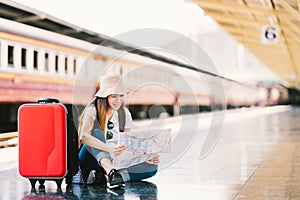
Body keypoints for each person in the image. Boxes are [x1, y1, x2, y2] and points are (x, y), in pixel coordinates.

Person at [78, 73, 159, 189]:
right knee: (95, 133)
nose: (118, 100)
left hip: (115, 160)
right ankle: (110, 173)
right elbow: (84, 136)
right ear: (105, 97)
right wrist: (109, 148)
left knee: (152, 168)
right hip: (90, 158)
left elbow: (127, 145)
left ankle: (104, 177)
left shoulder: (125, 114)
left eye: (121, 96)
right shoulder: (93, 110)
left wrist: (146, 156)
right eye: (114, 96)